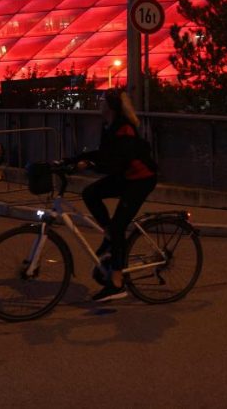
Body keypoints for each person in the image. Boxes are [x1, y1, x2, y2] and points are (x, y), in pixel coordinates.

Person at [62, 89, 157, 302]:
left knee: (119, 227)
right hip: (127, 176)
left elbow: (118, 161)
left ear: (110, 106)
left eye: (102, 101)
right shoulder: (109, 126)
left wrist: (92, 164)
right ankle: (108, 234)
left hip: (141, 179)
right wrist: (72, 160)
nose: (99, 104)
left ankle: (116, 283)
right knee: (91, 193)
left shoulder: (124, 128)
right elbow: (102, 153)